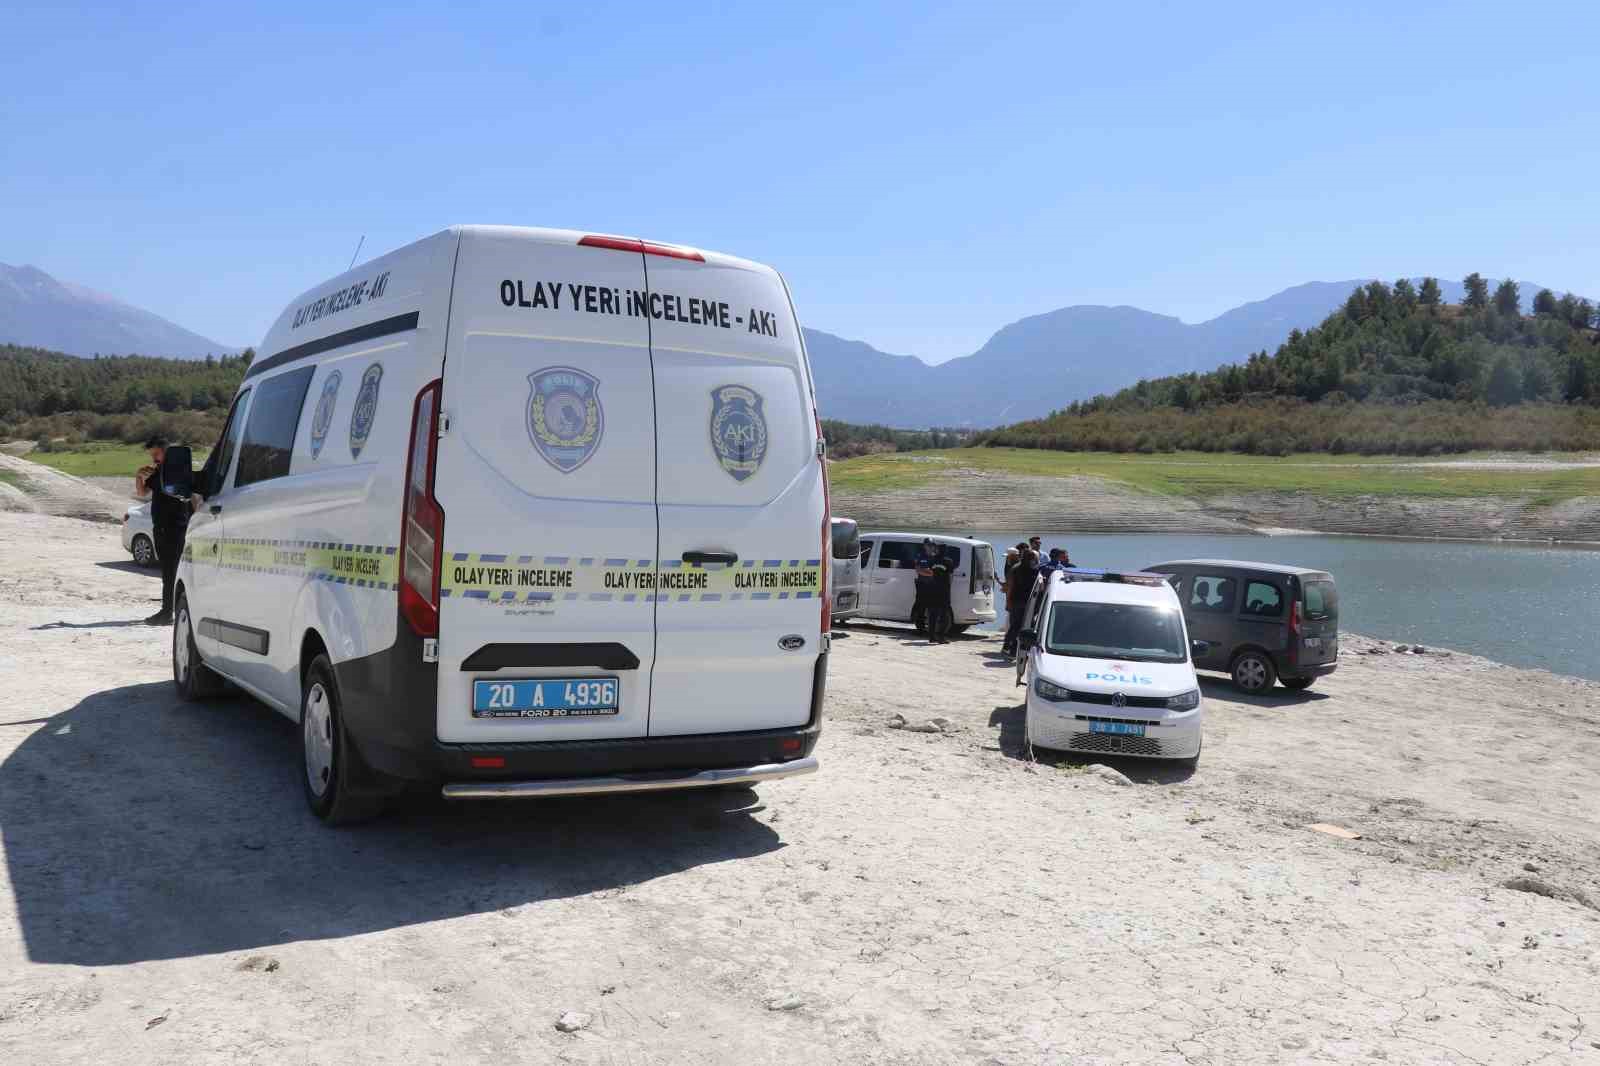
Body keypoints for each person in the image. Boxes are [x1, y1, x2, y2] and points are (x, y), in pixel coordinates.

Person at [132, 436, 196, 626]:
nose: (154, 459)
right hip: (160, 528)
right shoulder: (159, 472)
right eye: (152, 455)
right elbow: (142, 493)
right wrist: (139, 476)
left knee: (171, 573)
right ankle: (170, 611)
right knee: (168, 572)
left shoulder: (178, 471)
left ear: (167, 451)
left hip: (175, 528)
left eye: (156, 454)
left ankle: (167, 613)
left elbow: (190, 496)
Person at [1002, 548, 1039, 659]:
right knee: (1021, 626)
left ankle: (1008, 647)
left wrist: (1008, 601)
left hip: (1019, 602)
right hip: (1023, 603)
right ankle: (1012, 650)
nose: (1035, 560)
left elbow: (1010, 587)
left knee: (1016, 626)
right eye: (1034, 558)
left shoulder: (1017, 568)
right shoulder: (1030, 570)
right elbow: (1011, 586)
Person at [925, 546, 954, 643]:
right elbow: (950, 576)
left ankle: (931, 636)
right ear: (945, 551)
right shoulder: (948, 561)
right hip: (944, 590)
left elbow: (929, 572)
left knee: (933, 614)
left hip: (932, 589)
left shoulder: (931, 560)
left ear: (937, 550)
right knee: (944, 614)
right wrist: (949, 587)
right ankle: (941, 637)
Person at [911, 537, 938, 633]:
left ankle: (931, 628)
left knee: (931, 606)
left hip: (932, 585)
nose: (930, 547)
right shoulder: (920, 556)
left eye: (931, 545)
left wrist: (929, 572)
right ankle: (920, 628)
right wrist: (930, 573)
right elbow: (918, 570)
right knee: (921, 606)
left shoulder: (935, 557)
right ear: (924, 546)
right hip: (922, 584)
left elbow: (936, 570)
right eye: (928, 545)